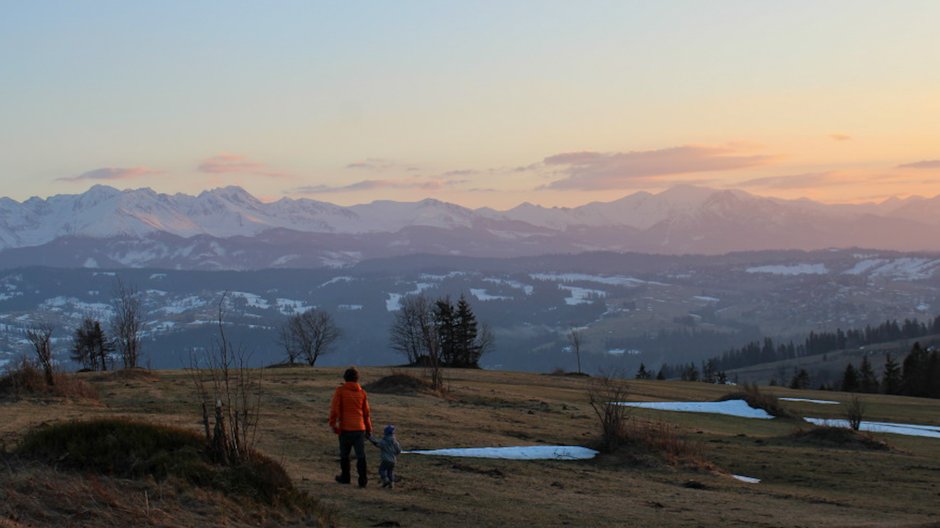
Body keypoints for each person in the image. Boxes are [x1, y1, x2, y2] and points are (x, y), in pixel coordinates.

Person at [328, 366, 373, 488]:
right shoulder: (362, 393)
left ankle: (345, 477)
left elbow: (334, 409)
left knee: (344, 455)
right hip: (360, 429)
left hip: (345, 429)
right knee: (361, 455)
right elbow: (366, 413)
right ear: (357, 379)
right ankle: (363, 480)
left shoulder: (340, 391)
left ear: (345, 378)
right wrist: (369, 429)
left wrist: (333, 424)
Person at [369, 424, 402, 488]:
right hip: (393, 460)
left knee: (382, 470)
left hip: (385, 459)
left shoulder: (384, 441)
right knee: (390, 472)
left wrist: (370, 438)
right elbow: (399, 451)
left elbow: (377, 443)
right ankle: (391, 483)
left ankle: (385, 480)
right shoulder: (395, 442)